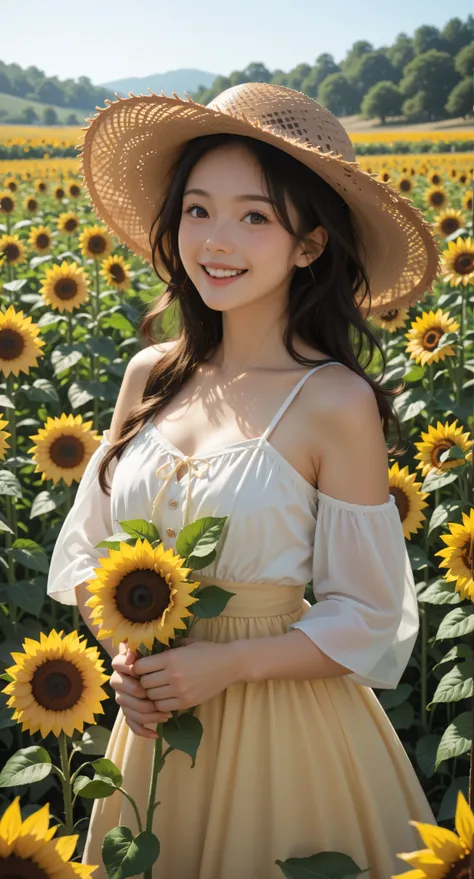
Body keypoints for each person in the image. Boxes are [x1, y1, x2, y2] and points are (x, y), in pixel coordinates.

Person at [47, 82, 441, 878]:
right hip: (152, 735)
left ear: (311, 244)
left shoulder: (334, 401)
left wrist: (227, 663)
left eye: (254, 215)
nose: (216, 240)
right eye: (197, 209)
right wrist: (121, 653)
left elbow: (368, 613)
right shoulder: (148, 374)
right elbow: (90, 555)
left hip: (285, 734)